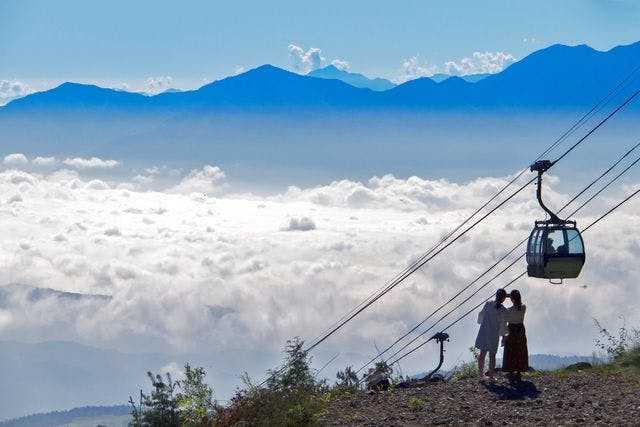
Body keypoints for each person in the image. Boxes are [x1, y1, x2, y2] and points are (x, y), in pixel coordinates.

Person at [475, 288, 508, 379]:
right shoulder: (503, 310)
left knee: (482, 354)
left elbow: (481, 316)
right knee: (492, 355)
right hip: (494, 335)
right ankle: (491, 376)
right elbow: (503, 325)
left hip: (484, 332)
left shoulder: (488, 304)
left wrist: (482, 323)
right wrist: (503, 337)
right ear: (504, 298)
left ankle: (481, 375)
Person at [502, 289, 529, 382]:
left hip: (511, 329)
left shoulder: (509, 310)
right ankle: (518, 371)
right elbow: (517, 302)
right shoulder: (523, 307)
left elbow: (505, 319)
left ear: (512, 299)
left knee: (511, 350)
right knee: (520, 349)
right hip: (520, 329)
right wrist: (511, 295)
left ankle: (511, 371)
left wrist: (506, 296)